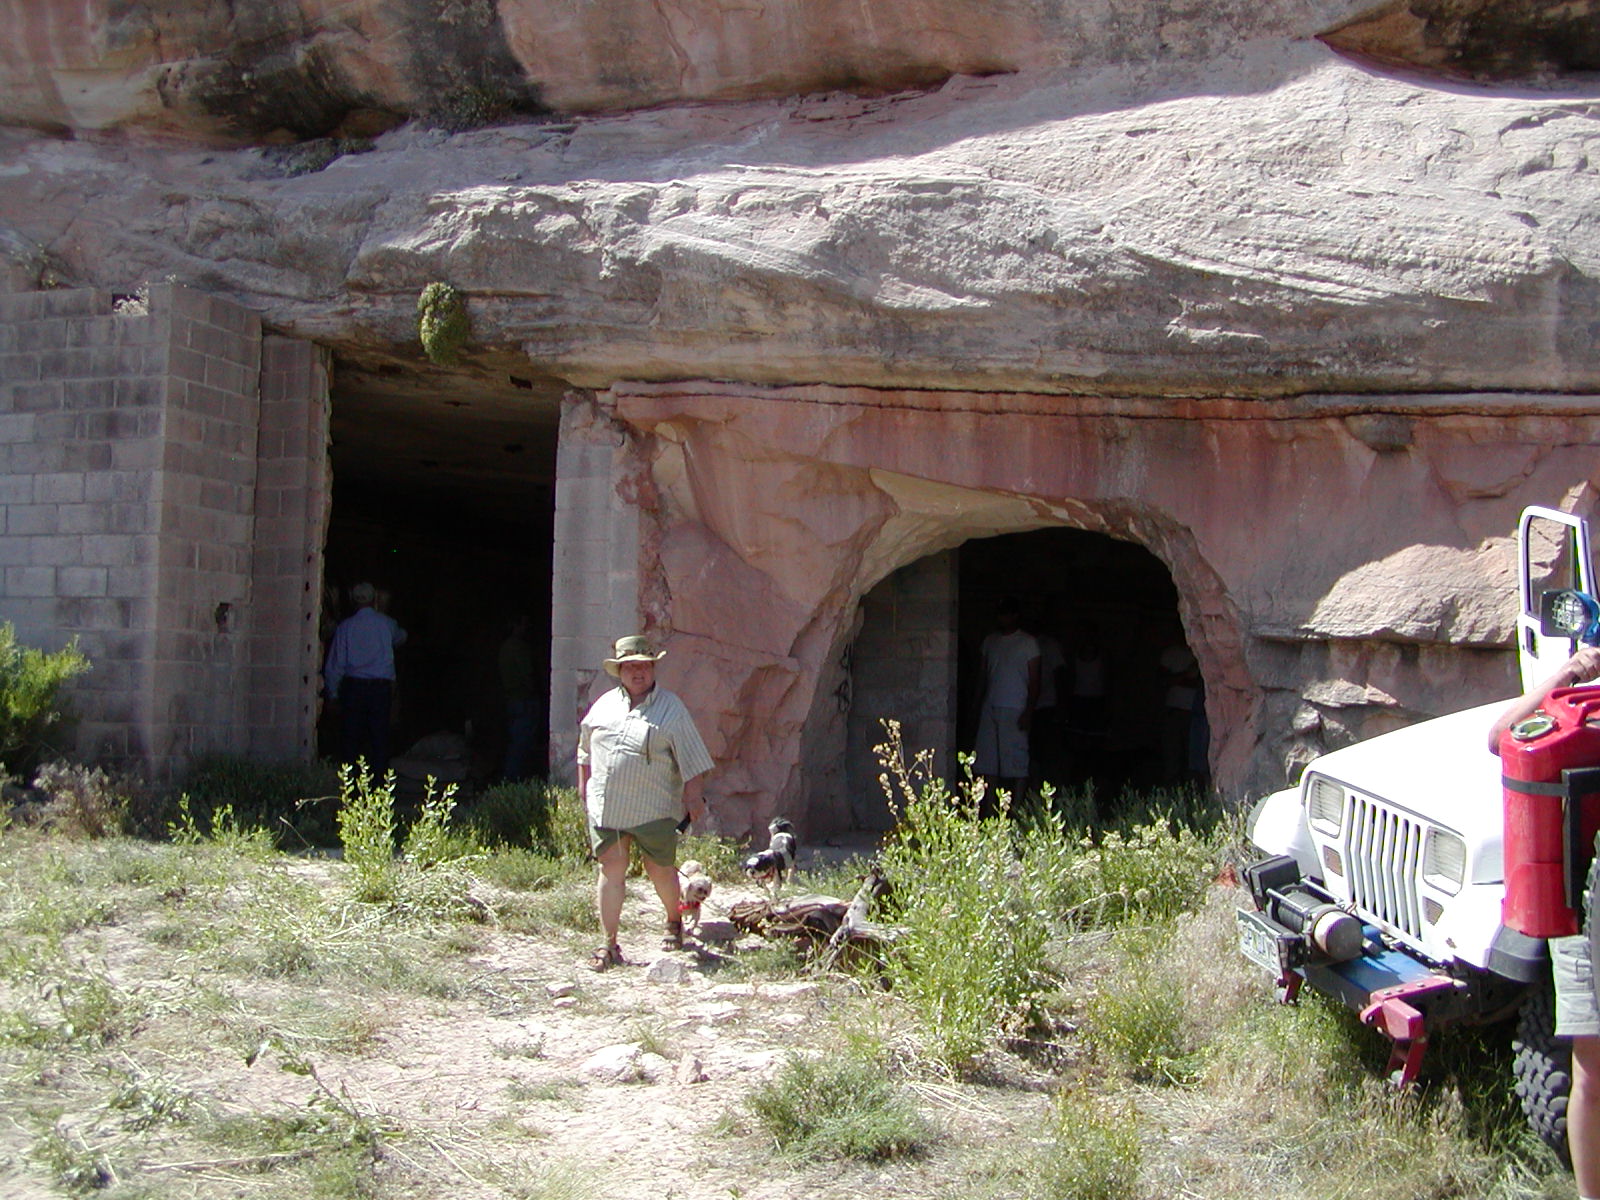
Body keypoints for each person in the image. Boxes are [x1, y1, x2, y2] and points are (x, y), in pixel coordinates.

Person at [1489, 644, 1600, 1200]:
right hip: (1585, 916)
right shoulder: (1582, 705)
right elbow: (1500, 737)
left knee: (1591, 1078)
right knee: (1591, 1077)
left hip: (1583, 910)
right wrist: (1568, 674)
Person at [577, 634, 713, 970]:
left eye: (644, 666)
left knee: (660, 870)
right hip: (607, 808)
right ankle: (608, 944)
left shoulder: (671, 708)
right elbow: (584, 751)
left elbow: (694, 756)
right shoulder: (603, 705)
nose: (637, 672)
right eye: (630, 666)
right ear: (619, 671)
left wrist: (693, 796)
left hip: (653, 808)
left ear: (653, 668)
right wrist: (584, 790)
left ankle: (674, 920)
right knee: (611, 870)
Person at [323, 581, 407, 776]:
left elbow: (335, 664)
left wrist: (332, 694)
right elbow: (402, 637)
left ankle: (350, 782)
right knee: (379, 738)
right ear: (374, 599)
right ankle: (379, 783)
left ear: (353, 600)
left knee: (351, 739)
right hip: (380, 689)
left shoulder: (345, 627)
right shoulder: (386, 624)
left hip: (354, 689)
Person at [972, 597, 1040, 809]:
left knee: (1017, 761)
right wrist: (976, 705)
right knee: (987, 761)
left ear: (1015, 616)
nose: (1003, 618)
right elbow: (982, 676)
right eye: (1000, 614)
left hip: (1015, 707)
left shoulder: (1028, 643)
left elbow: (1035, 681)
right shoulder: (990, 641)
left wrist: (1028, 711)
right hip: (990, 706)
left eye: (1007, 614)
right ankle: (989, 808)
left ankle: (1016, 807)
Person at [499, 613, 537, 781]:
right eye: (523, 624)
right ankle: (514, 780)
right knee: (522, 743)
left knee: (515, 741)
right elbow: (527, 674)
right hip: (524, 700)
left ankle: (511, 779)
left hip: (512, 698)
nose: (525, 628)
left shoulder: (505, 647)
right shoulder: (518, 647)